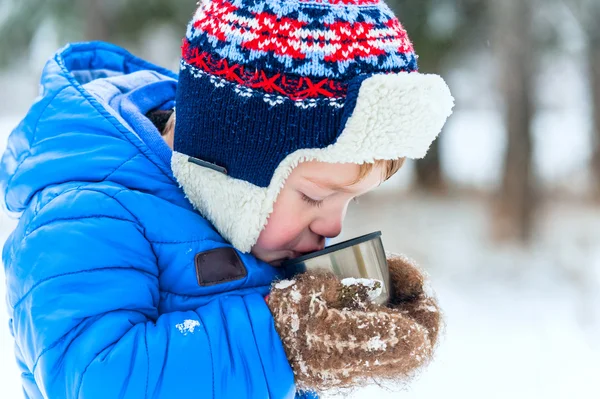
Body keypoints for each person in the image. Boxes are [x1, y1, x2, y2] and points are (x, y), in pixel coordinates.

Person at [0, 0, 453, 397]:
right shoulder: (83, 215)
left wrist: (343, 317)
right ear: (229, 164)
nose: (332, 227)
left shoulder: (254, 232)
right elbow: (97, 380)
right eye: (315, 196)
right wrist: (282, 341)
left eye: (351, 200)